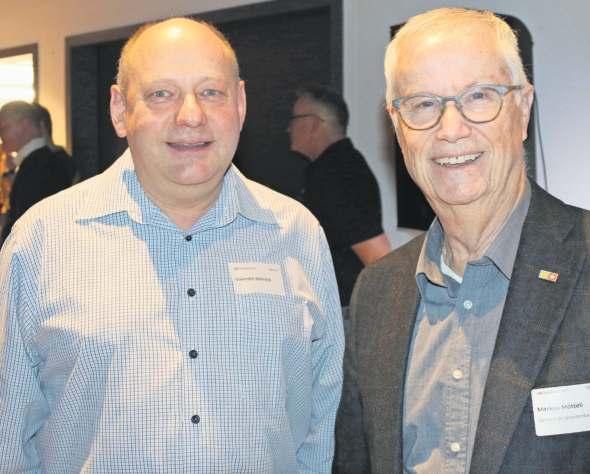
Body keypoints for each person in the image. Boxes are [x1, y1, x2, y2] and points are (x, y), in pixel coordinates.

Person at [0, 18, 344, 472]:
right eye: (161, 94)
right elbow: (9, 432)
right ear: (119, 110)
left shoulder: (298, 234)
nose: (190, 116)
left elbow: (321, 417)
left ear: (240, 104)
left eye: (211, 92)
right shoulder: (41, 242)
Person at [343, 7, 590, 473]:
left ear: (523, 108)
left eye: (479, 96)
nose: (451, 130)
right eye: (423, 104)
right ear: (397, 125)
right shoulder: (377, 292)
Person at [288, 85, 391, 309]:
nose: (289, 128)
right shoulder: (337, 167)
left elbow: (378, 256)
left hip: (346, 312)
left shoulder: (337, 174)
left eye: (294, 119)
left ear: (313, 124)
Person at [0, 101, 75, 245]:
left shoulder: (40, 166)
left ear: (25, 125)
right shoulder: (40, 162)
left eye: (4, 128)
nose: (1, 135)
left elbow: (27, 226)